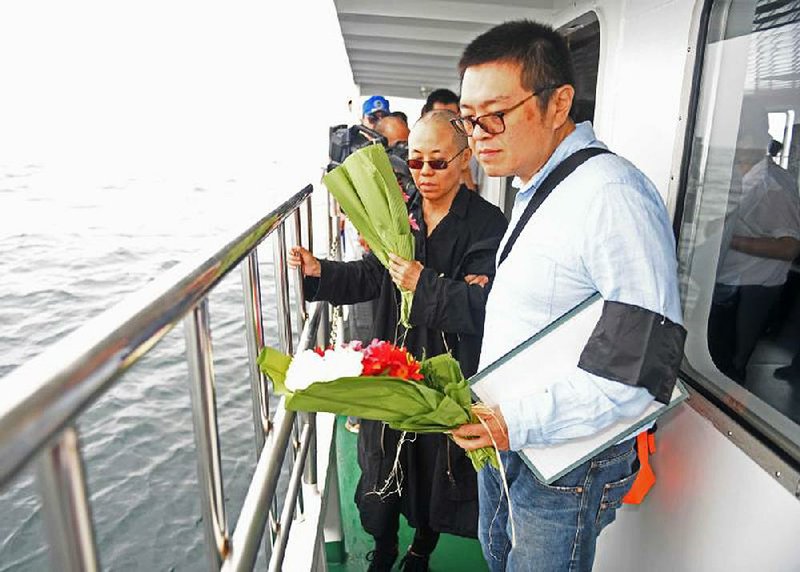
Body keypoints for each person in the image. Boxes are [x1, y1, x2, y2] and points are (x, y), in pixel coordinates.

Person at [449, 20, 684, 571]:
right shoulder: (538, 184)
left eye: (496, 114)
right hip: (510, 436)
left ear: (559, 104)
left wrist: (515, 424)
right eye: (468, 118)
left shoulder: (610, 196)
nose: (478, 132)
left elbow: (639, 371)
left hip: (563, 461)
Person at [290, 110, 508, 571]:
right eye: (415, 162)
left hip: (445, 370)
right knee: (379, 463)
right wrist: (320, 273)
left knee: (433, 470)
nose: (424, 174)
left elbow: (482, 306)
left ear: (464, 159)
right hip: (393, 360)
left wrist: (421, 282)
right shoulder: (402, 214)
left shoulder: (488, 225)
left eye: (437, 163)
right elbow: (372, 277)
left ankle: (421, 548)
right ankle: (383, 547)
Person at [709, 130, 800, 383]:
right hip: (729, 280)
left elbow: (789, 247)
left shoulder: (773, 186)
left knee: (731, 362)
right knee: (717, 353)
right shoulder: (739, 175)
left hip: (752, 287)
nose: (732, 142)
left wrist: (728, 240)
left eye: (740, 135)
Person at [422, 88, 481, 192]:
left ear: (459, 115)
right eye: (440, 116)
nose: (446, 122)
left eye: (451, 116)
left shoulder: (469, 148)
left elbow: (474, 197)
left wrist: (464, 170)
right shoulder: (416, 147)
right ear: (426, 114)